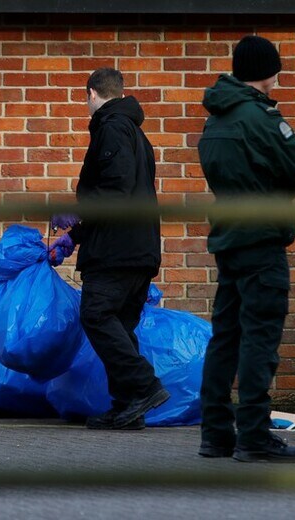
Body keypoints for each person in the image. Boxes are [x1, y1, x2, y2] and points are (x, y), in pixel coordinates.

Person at [197, 35, 295, 463]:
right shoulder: (259, 118)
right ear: (269, 71)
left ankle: (214, 433)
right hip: (262, 243)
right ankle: (253, 434)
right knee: (259, 340)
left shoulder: (215, 119)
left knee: (225, 339)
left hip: (230, 237)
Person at [48, 67, 169, 430]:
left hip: (118, 251)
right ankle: (128, 406)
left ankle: (144, 387)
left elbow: (114, 191)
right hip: (137, 247)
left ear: (91, 94)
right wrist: (76, 236)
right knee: (122, 326)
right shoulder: (135, 133)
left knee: (97, 315)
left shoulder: (112, 128)